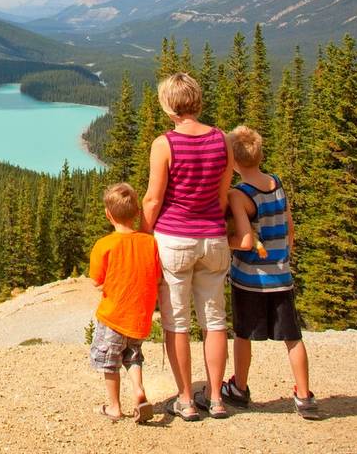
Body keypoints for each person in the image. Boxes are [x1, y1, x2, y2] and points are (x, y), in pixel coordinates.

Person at [140, 72, 234, 421]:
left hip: (174, 240)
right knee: (215, 321)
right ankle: (216, 397)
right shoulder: (223, 140)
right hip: (213, 238)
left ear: (168, 106)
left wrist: (143, 235)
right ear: (197, 100)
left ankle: (185, 400)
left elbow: (153, 199)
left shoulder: (165, 143)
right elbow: (223, 195)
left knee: (176, 322)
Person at [220, 126, 321, 420]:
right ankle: (304, 396)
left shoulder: (240, 194)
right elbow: (290, 228)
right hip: (281, 276)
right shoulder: (276, 183)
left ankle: (239, 388)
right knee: (292, 337)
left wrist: (223, 241)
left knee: (243, 335)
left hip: (250, 279)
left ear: (233, 162)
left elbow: (246, 241)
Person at [88, 182, 159, 424]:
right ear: (137, 212)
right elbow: (156, 275)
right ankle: (139, 391)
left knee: (110, 362)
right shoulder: (150, 243)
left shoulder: (104, 245)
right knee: (133, 356)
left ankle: (115, 407)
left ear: (108, 215)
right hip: (139, 317)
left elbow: (96, 281)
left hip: (113, 317)